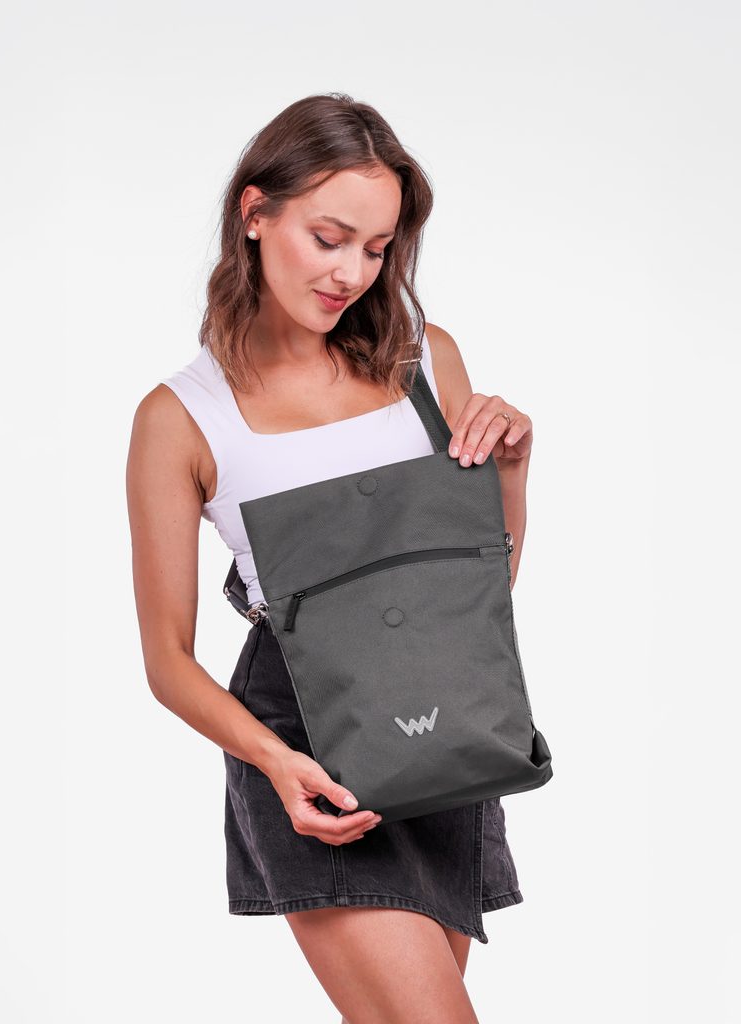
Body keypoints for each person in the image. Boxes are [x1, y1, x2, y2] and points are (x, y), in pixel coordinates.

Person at [127, 92, 534, 1024]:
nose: (353, 272)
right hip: (308, 747)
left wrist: (511, 472)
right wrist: (276, 765)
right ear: (255, 212)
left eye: (378, 248)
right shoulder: (182, 418)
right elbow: (166, 661)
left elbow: (480, 591)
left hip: (446, 731)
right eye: (329, 237)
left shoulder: (425, 361)